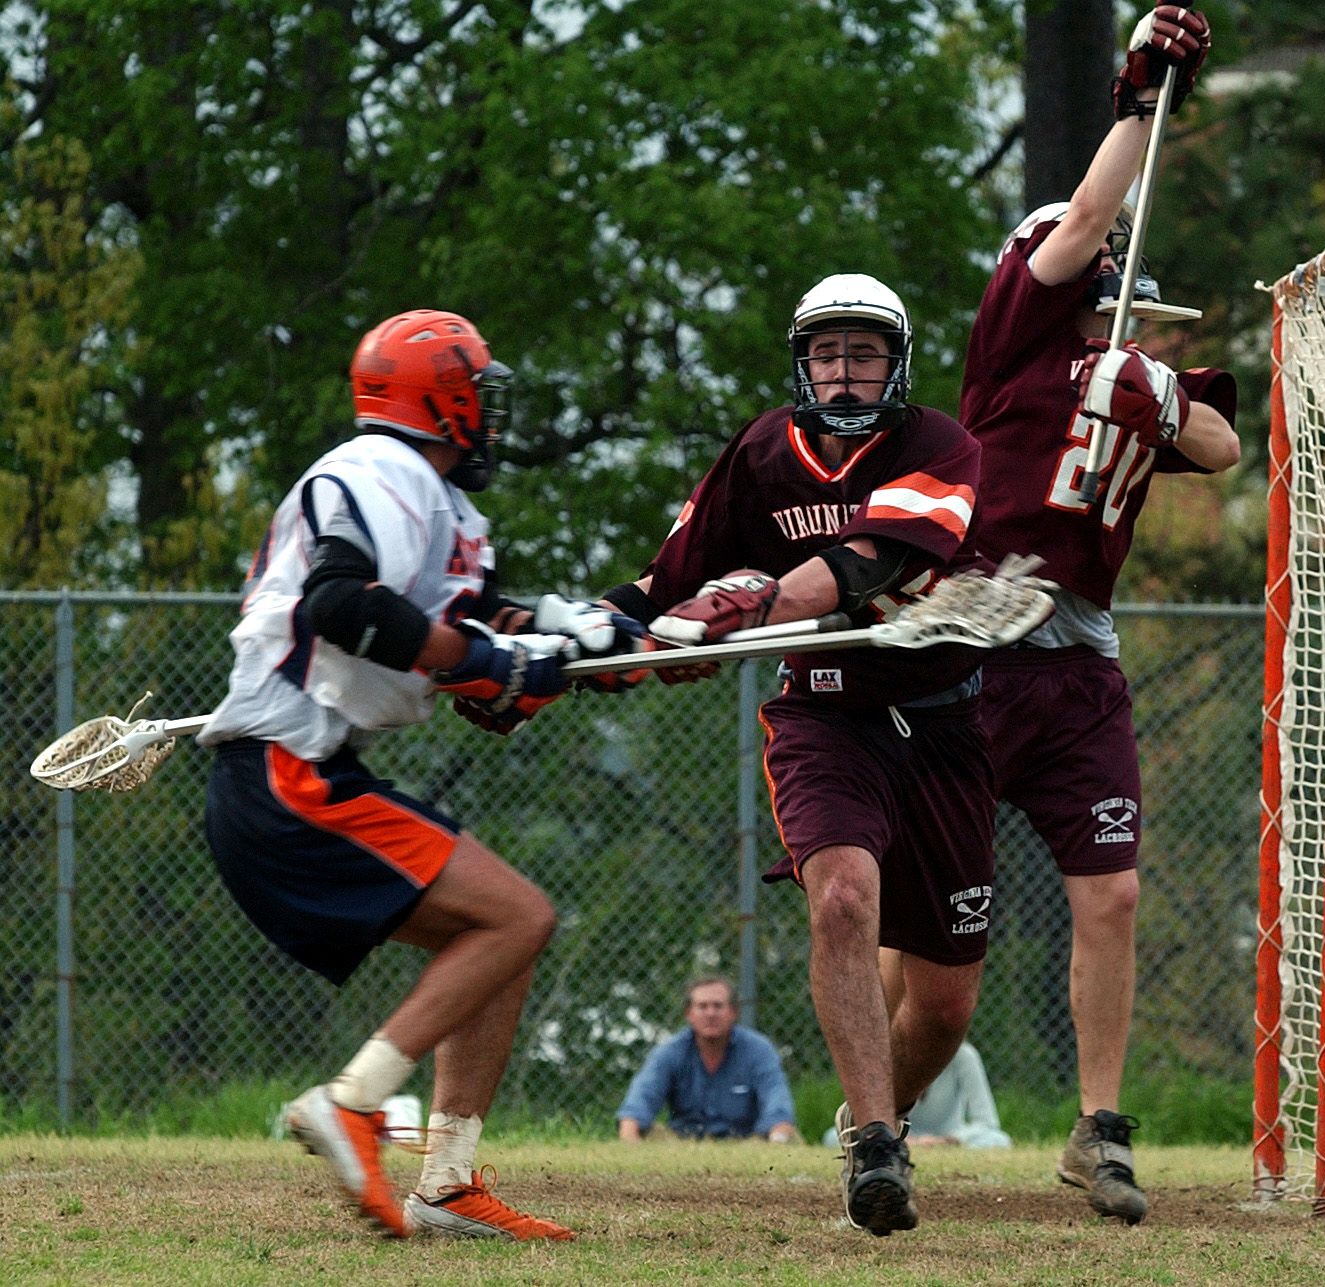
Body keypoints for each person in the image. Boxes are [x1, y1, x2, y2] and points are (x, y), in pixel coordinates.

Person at [198, 309, 644, 1241]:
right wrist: (484, 663)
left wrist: (573, 638)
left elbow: (470, 630)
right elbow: (343, 605)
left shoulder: (427, 497)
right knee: (519, 916)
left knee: (500, 936)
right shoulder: (382, 471)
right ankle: (353, 1101)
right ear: (440, 400)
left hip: (300, 773)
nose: (489, 414)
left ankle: (444, 1184)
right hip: (287, 776)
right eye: (477, 393)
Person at [599, 274, 992, 1237]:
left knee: (944, 1003)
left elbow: (872, 562)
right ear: (801, 364)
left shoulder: (940, 445)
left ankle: (879, 1115)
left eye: (864, 355)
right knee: (844, 898)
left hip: (942, 722)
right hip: (825, 714)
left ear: (897, 364)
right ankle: (876, 1144)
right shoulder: (763, 451)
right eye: (827, 355)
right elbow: (665, 581)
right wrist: (574, 644)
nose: (844, 375)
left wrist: (751, 606)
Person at [953, 5, 1238, 1226]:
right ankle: (879, 1114)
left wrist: (1154, 396)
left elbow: (1223, 449)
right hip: (971, 644)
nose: (1108, 260)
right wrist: (1139, 103)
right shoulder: (1010, 343)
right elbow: (1077, 221)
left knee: (1110, 893)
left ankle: (1098, 1129)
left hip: (1076, 658)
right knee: (937, 929)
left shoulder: (1124, 372)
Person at [616, 976, 799, 1142]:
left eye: (718, 1006)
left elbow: (777, 1101)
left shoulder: (759, 1050)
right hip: (682, 1143)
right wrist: (630, 1141)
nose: (710, 1014)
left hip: (747, 1141)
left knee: (790, 1137)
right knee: (648, 1133)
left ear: (734, 1012)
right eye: (702, 1006)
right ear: (689, 1013)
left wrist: (778, 1139)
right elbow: (640, 1101)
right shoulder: (670, 1051)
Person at [904, 1041, 1011, 1150]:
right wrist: (910, 1141)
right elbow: (892, 1126)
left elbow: (987, 1122)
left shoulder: (963, 1055)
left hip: (951, 1138)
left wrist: (948, 1140)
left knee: (1000, 1139)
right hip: (904, 1138)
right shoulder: (897, 1053)